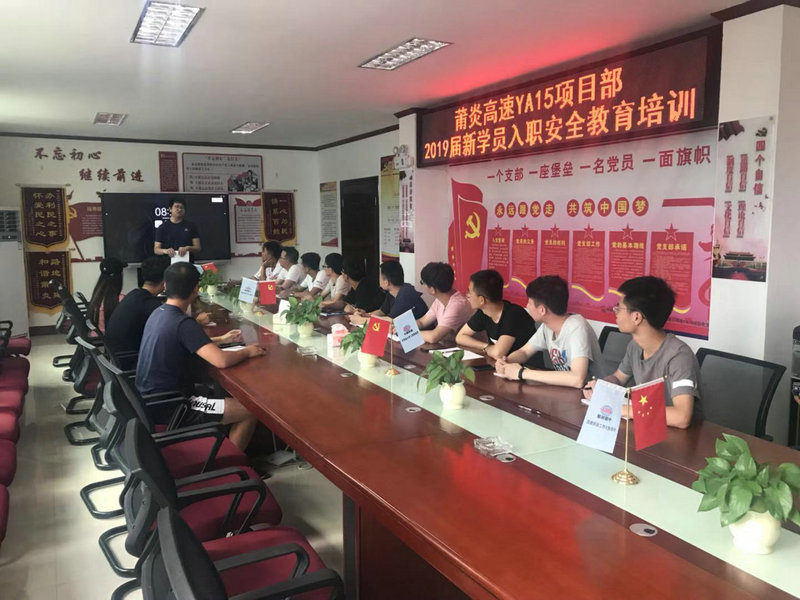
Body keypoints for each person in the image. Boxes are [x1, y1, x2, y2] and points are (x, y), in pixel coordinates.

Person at [136, 262, 265, 450]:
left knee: (220, 395)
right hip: (175, 406)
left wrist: (221, 339)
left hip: (150, 399)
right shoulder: (183, 323)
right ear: (195, 289)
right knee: (249, 411)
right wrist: (248, 351)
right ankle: (228, 462)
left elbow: (188, 343)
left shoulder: (159, 313)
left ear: (165, 285)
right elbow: (221, 361)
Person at [582, 276, 701, 429]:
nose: (615, 312)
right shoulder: (635, 346)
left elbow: (681, 417)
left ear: (636, 317)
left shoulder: (679, 356)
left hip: (679, 436)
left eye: (619, 308)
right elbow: (618, 378)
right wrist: (601, 386)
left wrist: (621, 409)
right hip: (648, 427)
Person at [495, 275, 605, 387]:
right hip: (565, 391)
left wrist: (521, 373)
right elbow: (524, 352)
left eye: (530, 303)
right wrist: (507, 361)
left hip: (589, 393)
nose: (527, 306)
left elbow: (577, 379)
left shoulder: (577, 327)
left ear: (542, 310)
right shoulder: (547, 327)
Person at [104, 255, 170, 369]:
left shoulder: (134, 294)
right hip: (132, 362)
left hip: (117, 361)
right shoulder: (149, 303)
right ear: (165, 281)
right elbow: (172, 326)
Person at [455, 269, 536, 359]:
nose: (468, 295)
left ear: (481, 300)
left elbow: (498, 353)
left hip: (526, 366)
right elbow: (460, 337)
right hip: (500, 364)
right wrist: (486, 347)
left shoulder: (514, 315)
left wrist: (491, 350)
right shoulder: (483, 312)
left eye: (470, 292)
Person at [348, 260, 427, 325]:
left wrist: (361, 320)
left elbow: (390, 321)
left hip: (420, 334)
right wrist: (366, 315)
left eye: (380, 277)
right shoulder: (392, 292)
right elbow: (382, 312)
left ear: (386, 282)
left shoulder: (405, 294)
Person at [416, 262, 475, 344]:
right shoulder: (440, 300)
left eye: (423, 282)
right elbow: (422, 322)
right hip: (449, 346)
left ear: (432, 289)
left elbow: (433, 337)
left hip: (465, 349)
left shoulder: (457, 305)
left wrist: (407, 335)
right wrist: (402, 328)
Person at [88, 257, 126, 333]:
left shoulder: (97, 296)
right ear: (119, 277)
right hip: (110, 338)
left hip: (97, 336)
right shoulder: (121, 300)